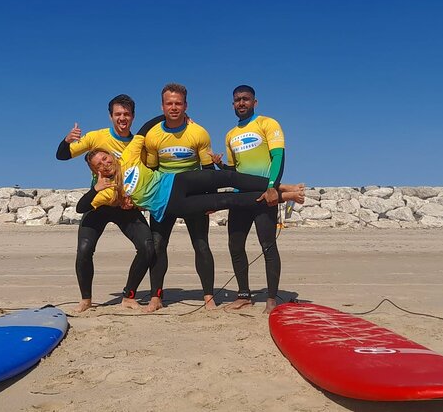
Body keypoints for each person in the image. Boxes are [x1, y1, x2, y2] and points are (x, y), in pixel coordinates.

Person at [75, 115, 305, 313]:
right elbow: (81, 207)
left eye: (105, 158)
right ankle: (285, 196)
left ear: (110, 156)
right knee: (225, 200)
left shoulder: (127, 157)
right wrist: (96, 188)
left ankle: (279, 187)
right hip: (171, 205)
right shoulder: (109, 190)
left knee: (226, 178)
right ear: (95, 170)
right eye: (98, 165)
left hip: (177, 180)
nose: (105, 164)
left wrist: (175, 119)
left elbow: (144, 130)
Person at [55, 94, 155, 313]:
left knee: (148, 247)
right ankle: (86, 300)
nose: (122, 118)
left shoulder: (139, 143)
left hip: (125, 206)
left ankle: (129, 295)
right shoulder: (96, 137)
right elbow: (61, 156)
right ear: (111, 116)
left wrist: (137, 203)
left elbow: (147, 176)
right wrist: (67, 140)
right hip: (99, 203)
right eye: (118, 114)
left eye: (126, 114)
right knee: (84, 249)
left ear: (133, 116)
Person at [210, 85, 304, 314]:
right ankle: (243, 295)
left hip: (263, 196)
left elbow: (278, 157)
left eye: (245, 99)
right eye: (237, 100)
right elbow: (235, 170)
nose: (241, 103)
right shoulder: (230, 135)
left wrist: (272, 187)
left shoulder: (267, 124)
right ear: (232, 104)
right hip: (241, 198)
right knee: (235, 245)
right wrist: (220, 165)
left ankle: (272, 298)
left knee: (268, 245)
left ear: (255, 102)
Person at [140, 83, 219, 312]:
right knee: (157, 245)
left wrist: (211, 199)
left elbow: (208, 170)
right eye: (169, 103)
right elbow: (152, 171)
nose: (174, 107)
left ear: (186, 105)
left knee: (201, 245)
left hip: (193, 195)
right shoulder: (154, 136)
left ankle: (208, 297)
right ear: (162, 106)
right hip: (165, 196)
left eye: (178, 103)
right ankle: (156, 296)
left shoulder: (198, 133)